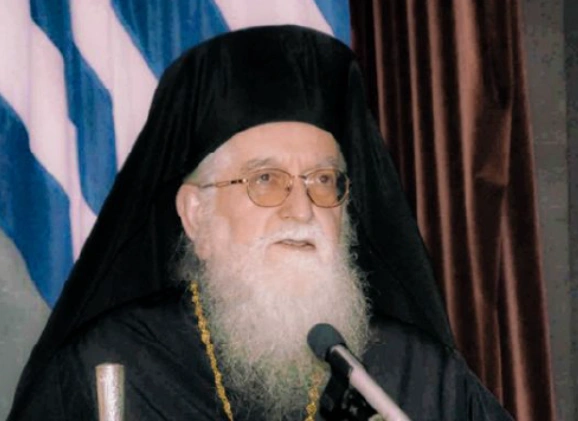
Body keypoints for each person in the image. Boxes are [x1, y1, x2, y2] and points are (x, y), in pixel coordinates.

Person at [7, 25, 514, 420]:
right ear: (196, 214)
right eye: (266, 179)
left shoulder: (415, 375)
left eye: (323, 181)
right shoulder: (106, 363)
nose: (302, 210)